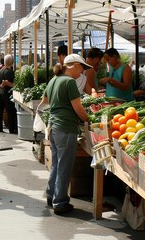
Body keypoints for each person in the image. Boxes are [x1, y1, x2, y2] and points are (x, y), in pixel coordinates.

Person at [38, 54, 90, 214]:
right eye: (81, 67)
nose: (82, 72)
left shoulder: (54, 80)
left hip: (53, 126)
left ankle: (51, 193)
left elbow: (44, 100)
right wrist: (88, 119)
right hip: (65, 127)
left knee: (56, 164)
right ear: (73, 65)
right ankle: (60, 202)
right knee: (64, 166)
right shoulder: (69, 82)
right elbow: (78, 108)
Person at [0, 54, 17, 133]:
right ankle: (11, 128)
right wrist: (8, 83)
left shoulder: (0, 70)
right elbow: (10, 83)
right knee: (10, 110)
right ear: (12, 62)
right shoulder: (10, 72)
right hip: (7, 93)